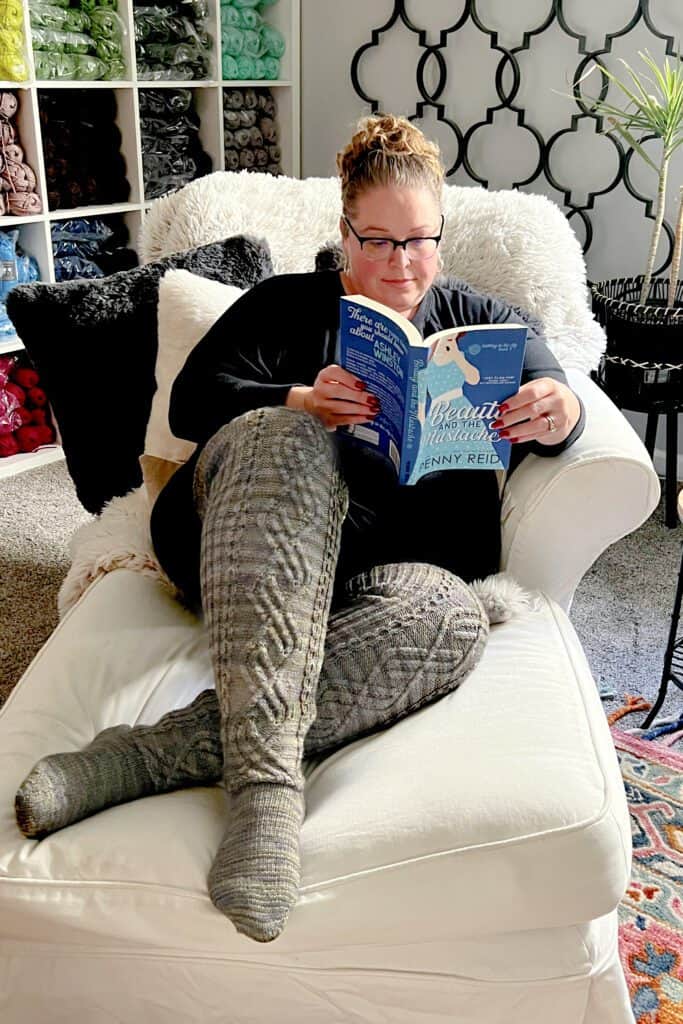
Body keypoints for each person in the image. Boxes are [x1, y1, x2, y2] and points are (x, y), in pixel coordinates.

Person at [14, 114, 584, 944]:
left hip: (381, 575)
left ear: (440, 235)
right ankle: (265, 798)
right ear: (344, 233)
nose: (399, 264)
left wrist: (554, 407)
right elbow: (189, 406)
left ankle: (142, 756)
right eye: (378, 241)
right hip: (243, 543)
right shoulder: (282, 303)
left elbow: (559, 401)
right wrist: (298, 402)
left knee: (458, 617)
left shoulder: (479, 317)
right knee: (282, 438)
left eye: (419, 240)